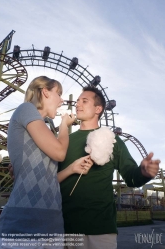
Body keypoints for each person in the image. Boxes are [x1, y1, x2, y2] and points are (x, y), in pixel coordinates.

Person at [58, 86, 160, 249]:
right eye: (77, 101)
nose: (78, 104)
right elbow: (49, 178)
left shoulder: (113, 141)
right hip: (66, 226)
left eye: (84, 101)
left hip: (101, 228)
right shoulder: (64, 141)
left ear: (98, 109)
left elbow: (131, 176)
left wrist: (143, 172)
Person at [0, 76, 93, 249]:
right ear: (45, 92)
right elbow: (59, 152)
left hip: (52, 227)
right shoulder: (26, 109)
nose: (62, 100)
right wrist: (64, 125)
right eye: (58, 93)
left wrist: (72, 169)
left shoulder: (47, 125)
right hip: (23, 228)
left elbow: (47, 179)